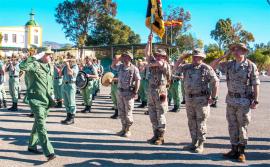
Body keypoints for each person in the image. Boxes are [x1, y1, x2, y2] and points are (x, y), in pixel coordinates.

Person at [210, 43, 260, 162]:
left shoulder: (250, 66)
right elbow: (212, 66)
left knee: (242, 126)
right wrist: (224, 56)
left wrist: (256, 100)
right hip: (231, 100)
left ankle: (241, 152)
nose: (236, 52)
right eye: (234, 50)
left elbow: (256, 84)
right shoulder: (229, 64)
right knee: (232, 126)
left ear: (244, 52)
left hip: (244, 100)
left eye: (239, 50)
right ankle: (234, 149)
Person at [174, 49, 219, 153]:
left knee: (201, 122)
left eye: (197, 56)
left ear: (202, 58)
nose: (195, 58)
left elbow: (215, 82)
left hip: (201, 100)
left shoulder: (206, 68)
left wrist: (214, 97)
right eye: (193, 56)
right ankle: (193, 142)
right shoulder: (186, 67)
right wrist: (181, 58)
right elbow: (174, 70)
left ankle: (201, 144)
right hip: (189, 99)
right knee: (191, 122)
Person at [19, 49, 56, 161]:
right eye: (48, 54)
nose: (50, 56)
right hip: (36, 100)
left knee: (38, 123)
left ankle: (31, 145)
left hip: (47, 100)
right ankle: (49, 152)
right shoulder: (34, 64)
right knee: (41, 126)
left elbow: (50, 82)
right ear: (42, 55)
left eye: (51, 54)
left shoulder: (50, 66)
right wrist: (35, 56)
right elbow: (22, 66)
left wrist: (53, 93)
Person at [145, 34, 171, 145]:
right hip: (151, 91)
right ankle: (155, 135)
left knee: (160, 114)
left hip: (161, 91)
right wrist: (149, 42)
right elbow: (147, 54)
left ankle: (161, 137)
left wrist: (147, 64)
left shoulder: (164, 64)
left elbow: (159, 63)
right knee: (152, 114)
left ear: (164, 57)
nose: (158, 56)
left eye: (160, 55)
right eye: (157, 55)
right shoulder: (153, 62)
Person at [111, 51, 141, 137]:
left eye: (127, 57)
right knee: (121, 112)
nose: (125, 58)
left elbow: (138, 80)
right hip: (120, 92)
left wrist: (135, 92)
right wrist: (118, 58)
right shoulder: (120, 66)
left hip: (128, 93)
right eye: (124, 57)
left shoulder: (134, 68)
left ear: (130, 58)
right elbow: (113, 65)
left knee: (128, 113)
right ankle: (123, 128)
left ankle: (128, 130)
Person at [60, 52, 79, 125]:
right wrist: (62, 66)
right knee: (66, 102)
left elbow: (70, 73)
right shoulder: (65, 66)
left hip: (71, 85)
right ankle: (68, 117)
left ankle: (72, 118)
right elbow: (60, 74)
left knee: (71, 102)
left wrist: (67, 65)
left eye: (68, 58)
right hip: (64, 85)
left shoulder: (75, 66)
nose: (67, 59)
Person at [110, 55, 121, 119]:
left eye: (115, 59)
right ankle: (116, 112)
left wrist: (114, 79)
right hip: (113, 84)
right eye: (113, 59)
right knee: (114, 99)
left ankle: (119, 113)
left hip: (118, 84)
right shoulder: (113, 66)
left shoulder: (121, 66)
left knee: (118, 100)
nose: (113, 60)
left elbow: (122, 77)